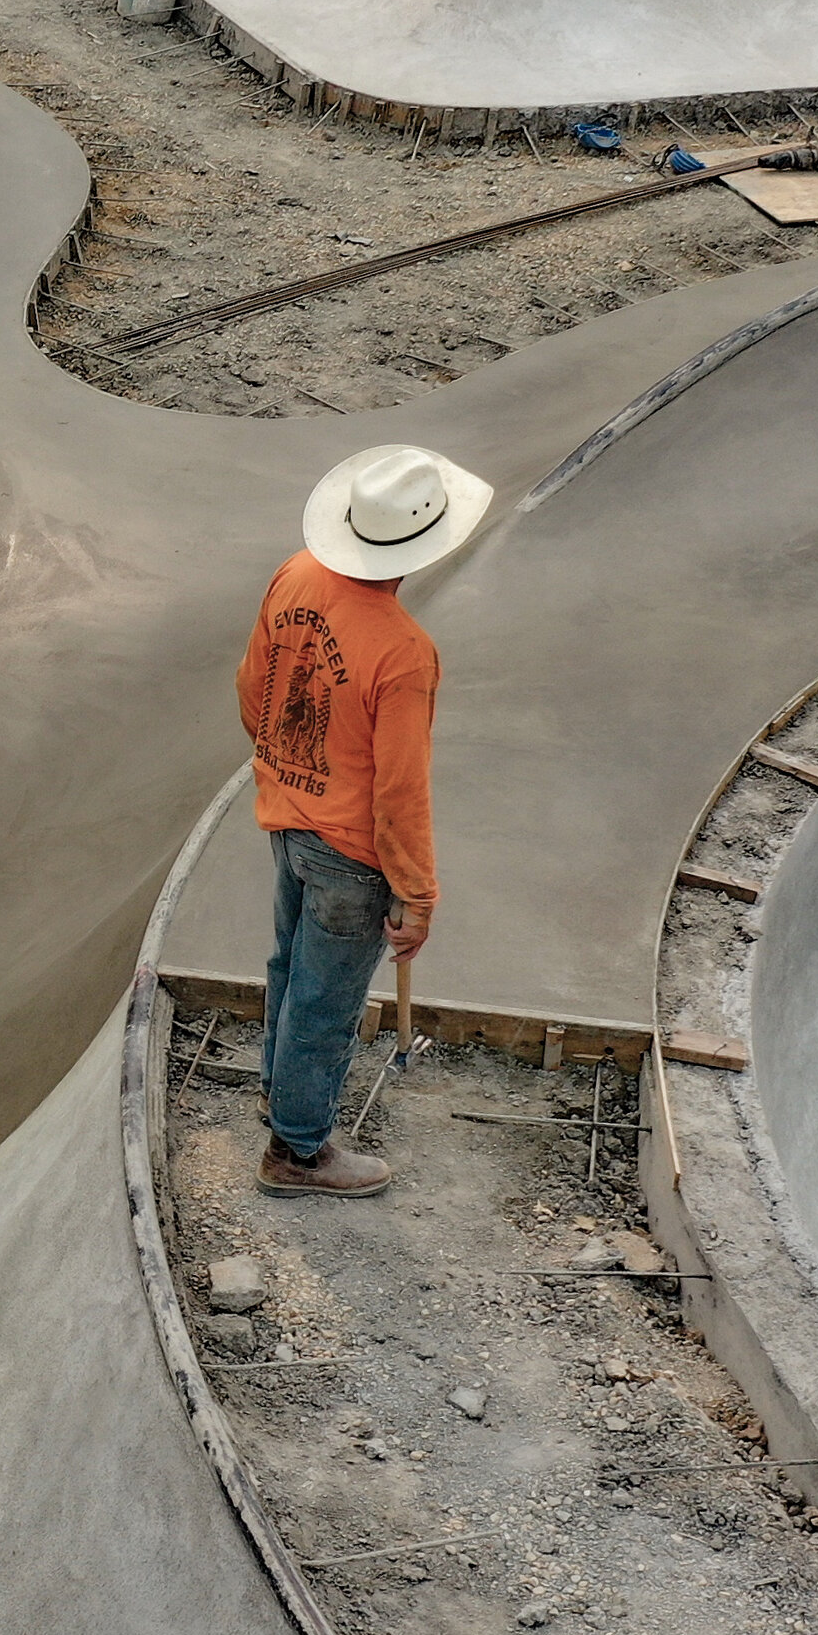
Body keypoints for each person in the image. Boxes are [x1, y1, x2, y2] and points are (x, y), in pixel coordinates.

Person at [236, 444, 493, 1197]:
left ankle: (280, 1095)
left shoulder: (295, 574)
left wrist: (281, 763)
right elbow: (400, 791)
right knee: (327, 999)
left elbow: (254, 685)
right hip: (351, 856)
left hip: (287, 819)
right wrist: (416, 895)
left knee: (289, 969)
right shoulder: (404, 653)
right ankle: (298, 1151)